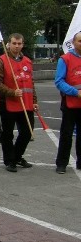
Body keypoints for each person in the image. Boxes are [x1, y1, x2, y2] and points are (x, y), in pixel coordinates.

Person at [0, 33, 38, 173]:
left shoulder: (28, 61)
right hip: (8, 102)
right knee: (8, 134)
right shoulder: (1, 61)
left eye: (19, 43)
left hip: (26, 103)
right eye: (14, 43)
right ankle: (9, 160)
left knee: (27, 133)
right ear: (9, 44)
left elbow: (31, 83)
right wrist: (12, 92)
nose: (17, 46)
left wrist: (34, 101)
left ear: (23, 44)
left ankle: (17, 156)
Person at [54, 31, 81, 174]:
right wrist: (76, 92)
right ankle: (61, 163)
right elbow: (59, 81)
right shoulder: (65, 59)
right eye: (80, 41)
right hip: (70, 103)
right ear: (74, 42)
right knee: (66, 134)